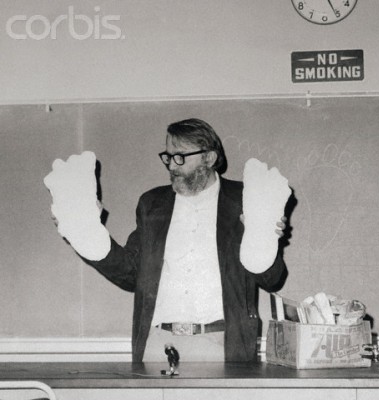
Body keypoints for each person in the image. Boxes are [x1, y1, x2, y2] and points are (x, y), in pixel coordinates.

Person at [55, 118, 288, 362]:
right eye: (168, 157)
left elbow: (272, 279)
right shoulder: (152, 204)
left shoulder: (245, 199)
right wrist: (86, 235)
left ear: (208, 158)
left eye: (180, 157)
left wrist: (265, 242)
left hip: (223, 345)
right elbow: (130, 275)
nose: (171, 166)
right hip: (159, 344)